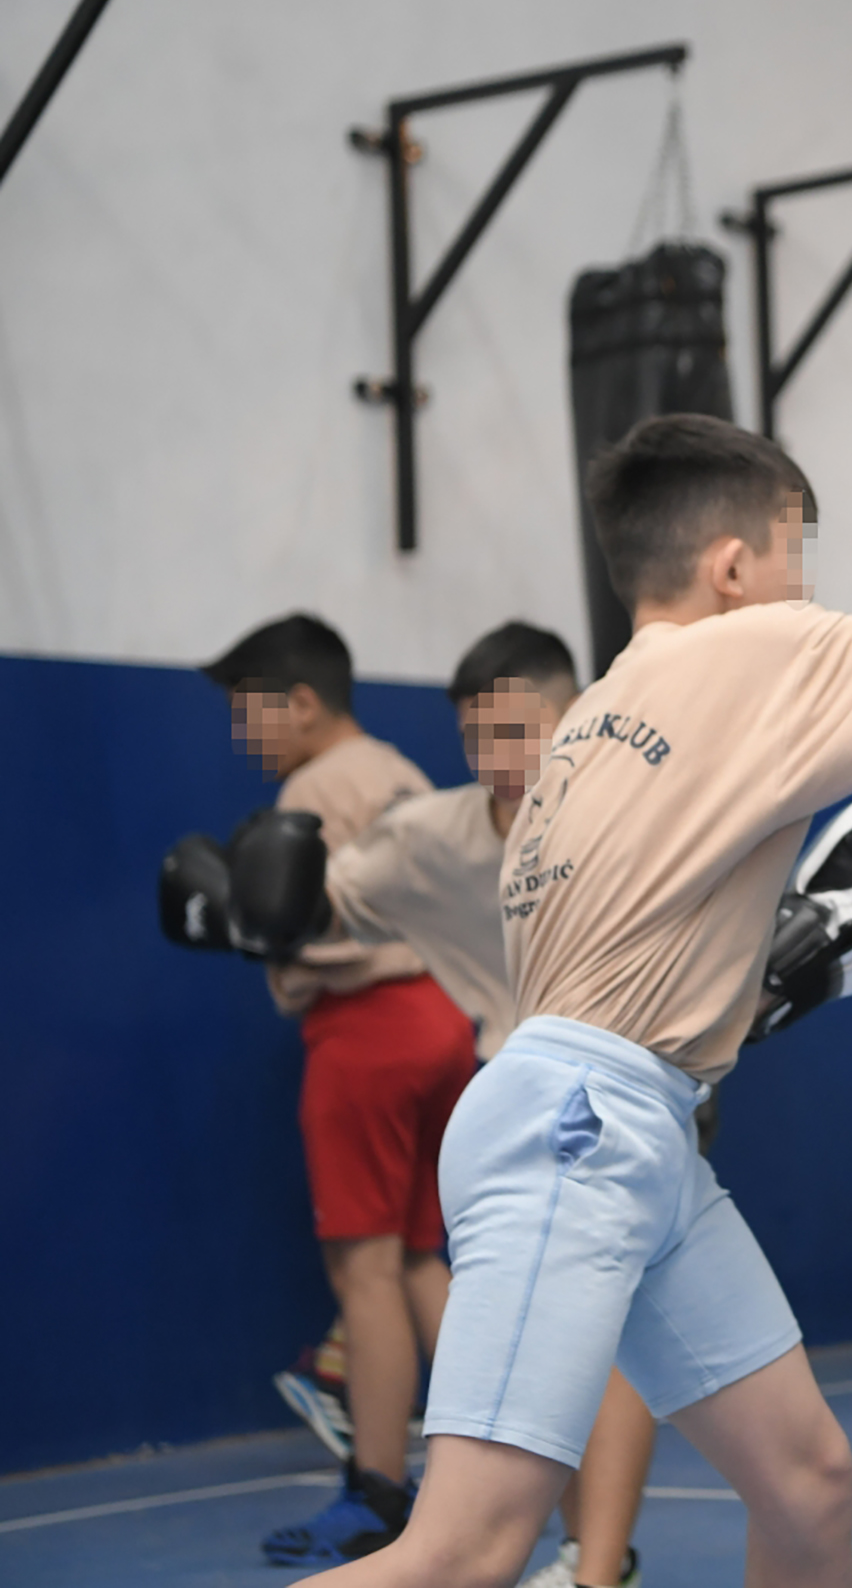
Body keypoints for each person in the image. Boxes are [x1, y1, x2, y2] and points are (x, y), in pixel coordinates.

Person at [291, 412, 852, 1588]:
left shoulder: (592, 726)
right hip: (580, 1125)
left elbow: (638, 963)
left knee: (806, 1481)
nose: (808, 590)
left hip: (623, 1118)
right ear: (735, 565)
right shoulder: (761, 648)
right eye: (797, 555)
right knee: (465, 1551)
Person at [304, 621, 658, 1588]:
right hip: (510, 1109)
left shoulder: (635, 812)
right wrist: (259, 893)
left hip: (626, 1098)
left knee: (607, 1336)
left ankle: (596, 1565)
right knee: (567, 1340)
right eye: (475, 737)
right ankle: (584, 1555)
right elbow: (323, 899)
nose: (496, 757)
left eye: (516, 731)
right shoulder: (436, 836)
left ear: (574, 716)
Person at [191, 614, 476, 1565]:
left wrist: (247, 926)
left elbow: (308, 930)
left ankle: (377, 1491)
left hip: (368, 1031)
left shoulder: (312, 789)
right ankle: (497, 1465)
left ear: (304, 702)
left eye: (252, 711)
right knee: (423, 1257)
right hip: (446, 1018)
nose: (244, 734)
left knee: (365, 1271)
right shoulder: (403, 773)